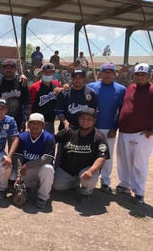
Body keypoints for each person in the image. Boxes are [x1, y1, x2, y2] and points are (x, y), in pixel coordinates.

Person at [53, 108, 110, 203]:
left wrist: (91, 171)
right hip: (67, 169)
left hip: (86, 169)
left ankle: (86, 192)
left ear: (94, 121)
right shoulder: (69, 132)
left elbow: (102, 157)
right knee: (57, 186)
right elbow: (51, 139)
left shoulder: (99, 136)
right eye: (83, 118)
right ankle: (75, 183)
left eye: (89, 119)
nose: (85, 121)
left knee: (89, 178)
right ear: (78, 119)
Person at [116, 63, 153, 205]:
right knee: (123, 160)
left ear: (149, 75)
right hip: (125, 131)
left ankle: (139, 192)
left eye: (143, 74)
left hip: (142, 134)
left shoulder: (151, 90)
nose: (140, 77)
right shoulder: (131, 87)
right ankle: (124, 184)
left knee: (139, 163)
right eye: (137, 74)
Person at [87, 63, 125, 192]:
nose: (107, 74)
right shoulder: (92, 86)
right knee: (92, 154)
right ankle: (91, 178)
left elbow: (121, 111)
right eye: (105, 72)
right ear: (101, 73)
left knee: (107, 156)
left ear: (114, 74)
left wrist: (115, 128)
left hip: (109, 129)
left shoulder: (120, 89)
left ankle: (105, 182)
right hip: (93, 128)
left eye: (110, 72)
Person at [14, 113, 55, 209]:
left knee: (48, 169)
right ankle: (24, 189)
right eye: (32, 123)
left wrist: (28, 165)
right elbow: (18, 157)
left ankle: (42, 197)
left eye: (38, 123)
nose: (35, 126)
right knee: (12, 177)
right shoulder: (22, 137)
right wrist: (18, 175)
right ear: (28, 124)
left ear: (43, 125)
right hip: (25, 171)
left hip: (39, 168)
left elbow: (47, 158)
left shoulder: (49, 138)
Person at [0, 59, 30, 130]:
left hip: (17, 121)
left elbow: (26, 104)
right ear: (2, 69)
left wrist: (24, 121)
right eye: (6, 68)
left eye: (11, 68)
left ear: (15, 69)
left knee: (15, 140)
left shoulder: (22, 83)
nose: (9, 70)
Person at [29, 63, 63, 133]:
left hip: (50, 122)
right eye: (45, 72)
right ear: (41, 73)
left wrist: (63, 89)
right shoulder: (34, 87)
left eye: (51, 72)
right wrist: (28, 123)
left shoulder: (56, 84)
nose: (48, 74)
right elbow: (29, 106)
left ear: (54, 73)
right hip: (37, 122)